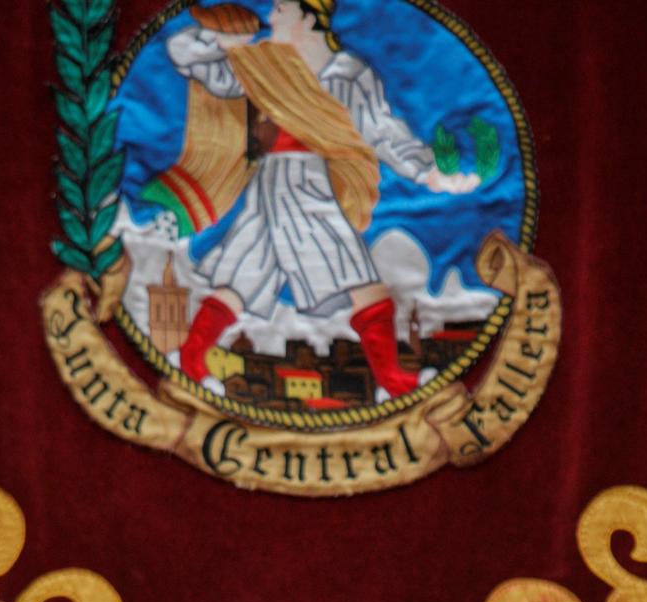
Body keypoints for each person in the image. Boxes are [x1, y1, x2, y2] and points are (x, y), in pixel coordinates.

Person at [162, 0, 479, 397]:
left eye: (281, 10)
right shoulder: (265, 66)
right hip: (288, 185)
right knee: (359, 280)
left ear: (309, 17)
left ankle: (192, 360)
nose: (270, 17)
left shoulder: (348, 75)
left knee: (243, 274)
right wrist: (224, 36)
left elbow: (381, 131)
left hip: (305, 182)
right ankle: (393, 382)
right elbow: (183, 54)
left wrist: (428, 172)